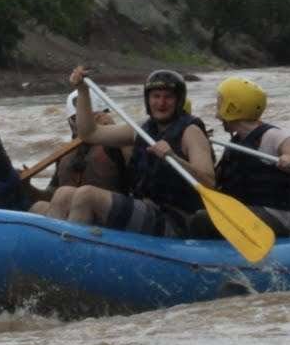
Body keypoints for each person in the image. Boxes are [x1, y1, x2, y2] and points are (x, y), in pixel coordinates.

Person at [63, 67, 215, 237]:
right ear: (147, 99)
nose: (161, 103)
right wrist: (82, 90)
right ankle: (51, 255)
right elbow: (89, 133)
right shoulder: (142, 129)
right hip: (145, 207)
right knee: (64, 194)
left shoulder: (191, 132)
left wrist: (173, 158)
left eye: (168, 97)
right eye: (156, 96)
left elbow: (209, 182)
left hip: (176, 219)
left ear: (179, 100)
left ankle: (68, 257)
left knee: (86, 195)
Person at [188, 76, 290, 239]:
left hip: (275, 217)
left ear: (233, 107)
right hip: (246, 213)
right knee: (198, 212)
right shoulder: (236, 143)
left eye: (220, 104)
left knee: (200, 220)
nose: (217, 114)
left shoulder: (271, 135)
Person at [29, 86, 131, 218]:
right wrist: (29, 188)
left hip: (106, 213)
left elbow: (138, 172)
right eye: (75, 118)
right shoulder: (64, 154)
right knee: (38, 207)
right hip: (70, 215)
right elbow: (50, 196)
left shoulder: (117, 146)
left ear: (102, 115)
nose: (80, 123)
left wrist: (113, 128)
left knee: (76, 196)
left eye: (88, 117)